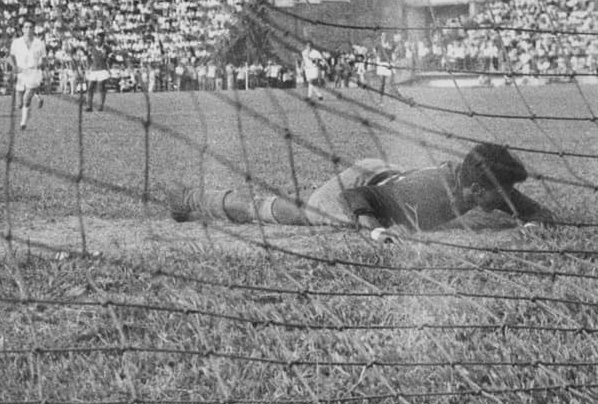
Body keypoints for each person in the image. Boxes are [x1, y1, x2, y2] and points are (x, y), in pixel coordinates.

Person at [169, 142, 556, 238]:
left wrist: (535, 221)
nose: (506, 199)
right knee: (294, 212)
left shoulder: (483, 186)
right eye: (501, 193)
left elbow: (535, 211)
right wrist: (373, 228)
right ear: (474, 188)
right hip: (363, 188)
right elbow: (356, 199)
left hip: (383, 175)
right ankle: (191, 200)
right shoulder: (430, 192)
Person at [9, 18, 47, 130]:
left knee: (26, 98)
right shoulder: (16, 42)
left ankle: (23, 123)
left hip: (34, 72)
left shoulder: (39, 43)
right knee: (19, 104)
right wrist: (14, 67)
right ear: (22, 29)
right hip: (21, 72)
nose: (28, 29)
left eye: (31, 27)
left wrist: (41, 64)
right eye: (26, 27)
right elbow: (11, 56)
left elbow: (44, 59)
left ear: (34, 29)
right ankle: (37, 96)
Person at [84, 31, 111, 112]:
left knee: (101, 87)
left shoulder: (107, 48)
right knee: (90, 87)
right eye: (98, 39)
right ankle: (89, 106)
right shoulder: (92, 47)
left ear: (103, 39)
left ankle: (101, 105)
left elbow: (108, 59)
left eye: (101, 39)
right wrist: (88, 67)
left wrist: (105, 55)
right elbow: (88, 57)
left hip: (102, 69)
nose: (99, 40)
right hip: (94, 69)